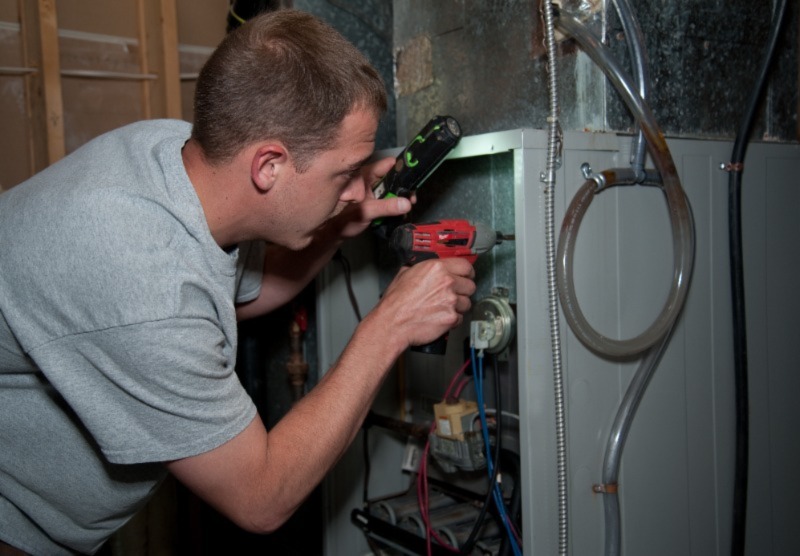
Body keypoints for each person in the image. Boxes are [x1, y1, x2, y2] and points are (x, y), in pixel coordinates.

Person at [0, 9, 475, 555]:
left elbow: (236, 298)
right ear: (268, 165)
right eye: (344, 174)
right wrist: (390, 325)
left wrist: (335, 224)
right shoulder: (142, 281)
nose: (353, 189)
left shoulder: (176, 155)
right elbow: (260, 498)